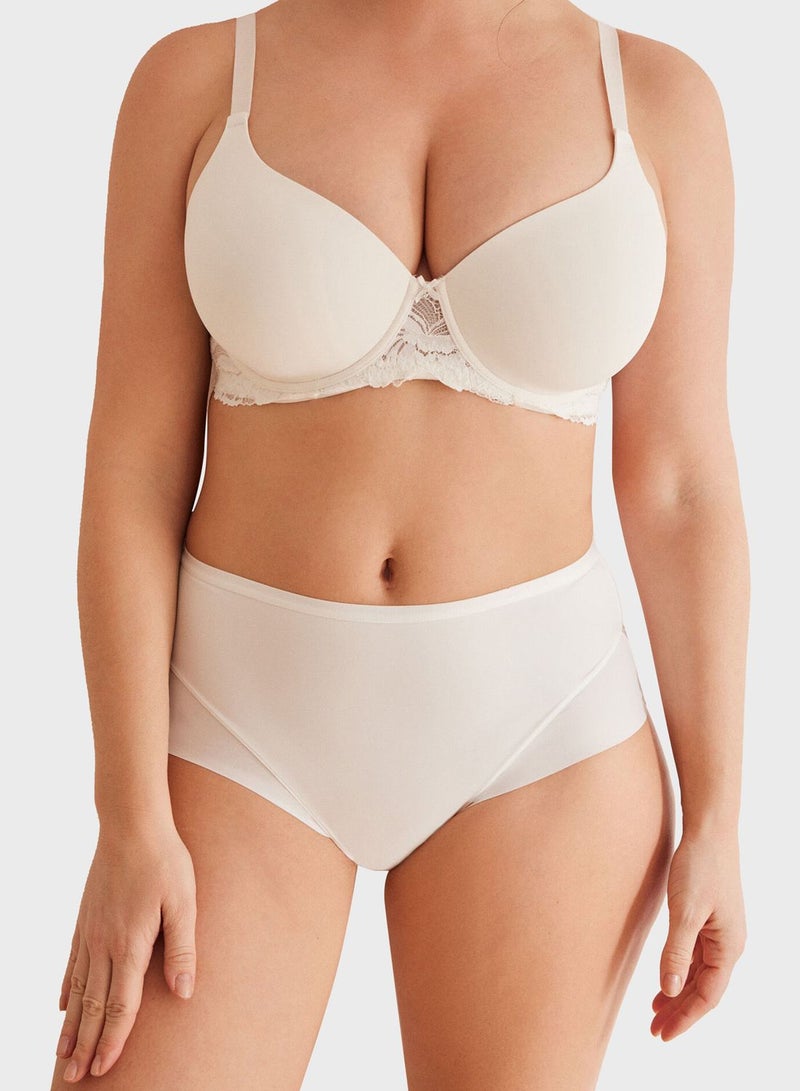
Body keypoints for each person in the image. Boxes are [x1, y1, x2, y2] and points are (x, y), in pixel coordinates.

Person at [50, 1, 748, 1087]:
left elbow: (679, 488)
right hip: (233, 728)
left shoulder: (657, 100)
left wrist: (718, 815)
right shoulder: (194, 83)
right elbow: (132, 476)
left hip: (545, 738)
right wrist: (128, 815)